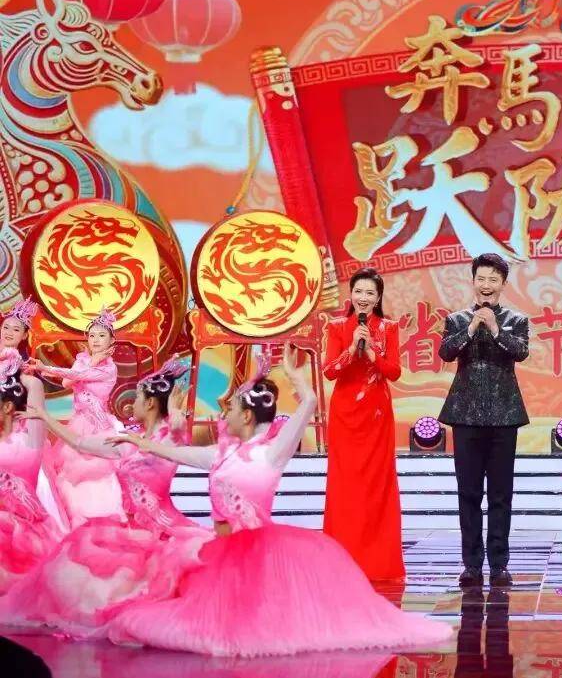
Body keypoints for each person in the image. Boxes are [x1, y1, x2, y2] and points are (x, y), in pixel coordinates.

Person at [104, 345, 452, 657]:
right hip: (222, 554)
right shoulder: (219, 455)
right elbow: (176, 453)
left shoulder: (271, 454)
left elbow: (308, 405)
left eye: (231, 409)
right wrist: (143, 443)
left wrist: (295, 378)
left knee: (255, 626)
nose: (224, 415)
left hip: (259, 553)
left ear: (247, 416)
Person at [0, 358, 209, 638]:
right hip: (133, 532)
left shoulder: (167, 439)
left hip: (164, 530)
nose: (132, 403)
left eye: (137, 397)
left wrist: (176, 418)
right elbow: (80, 443)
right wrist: (45, 418)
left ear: (149, 404)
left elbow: (176, 436)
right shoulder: (127, 442)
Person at [439, 253, 530, 588]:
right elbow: (446, 352)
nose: (487, 285)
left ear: (502, 284)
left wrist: (494, 328)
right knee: (469, 493)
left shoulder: (516, 320)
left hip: (504, 416)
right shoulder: (456, 319)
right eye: (482, 278)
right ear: (473, 281)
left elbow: (521, 351)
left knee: (500, 495)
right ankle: (472, 565)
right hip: (465, 416)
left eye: (494, 279)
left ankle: (499, 564)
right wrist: (471, 328)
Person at [322, 267, 405, 580]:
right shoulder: (336, 327)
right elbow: (330, 371)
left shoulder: (389, 328)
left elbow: (394, 372)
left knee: (376, 486)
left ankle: (378, 562)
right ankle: (342, 560)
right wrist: (350, 349)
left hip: (376, 415)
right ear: (351, 294)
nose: (364, 298)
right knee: (346, 486)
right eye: (359, 291)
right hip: (345, 415)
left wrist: (370, 352)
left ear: (378, 297)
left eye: (370, 293)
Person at [27, 307, 125, 530]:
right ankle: (76, 521)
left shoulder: (110, 368)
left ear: (111, 340)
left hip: (98, 427)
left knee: (97, 474)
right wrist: (90, 362)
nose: (96, 340)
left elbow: (78, 376)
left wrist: (45, 367)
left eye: (102, 335)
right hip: (78, 423)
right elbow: (67, 382)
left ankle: (102, 519)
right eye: (92, 335)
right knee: (71, 476)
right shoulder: (83, 360)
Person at [0, 356, 56, 595]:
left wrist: (15, 372)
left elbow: (35, 388)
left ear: (7, 407)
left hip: (23, 538)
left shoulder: (28, 442)